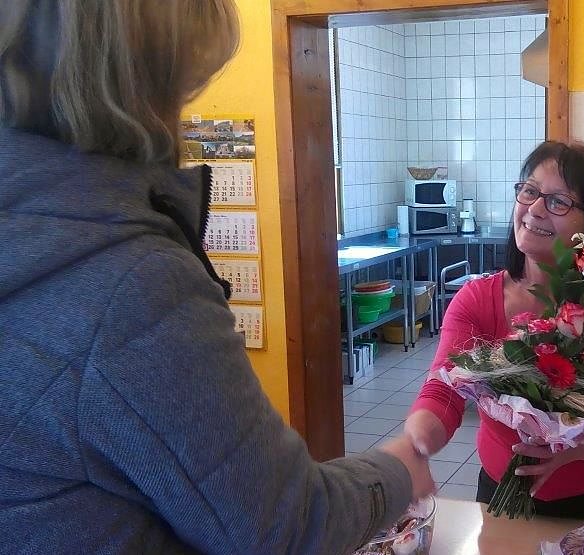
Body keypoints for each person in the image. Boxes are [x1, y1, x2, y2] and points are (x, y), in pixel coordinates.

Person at [0, 2, 432, 553]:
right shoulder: (135, 283)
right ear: (143, 84)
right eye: (186, 84)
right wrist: (397, 470)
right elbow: (282, 526)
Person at [405, 141, 584, 520]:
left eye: (558, 201)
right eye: (529, 191)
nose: (535, 209)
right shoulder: (477, 301)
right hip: (503, 500)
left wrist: (583, 449)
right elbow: (444, 389)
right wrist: (413, 448)